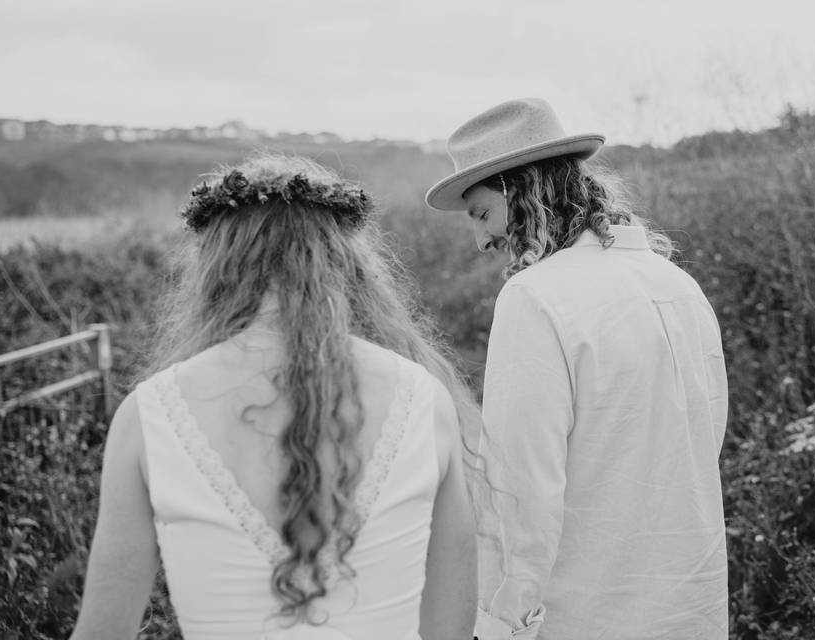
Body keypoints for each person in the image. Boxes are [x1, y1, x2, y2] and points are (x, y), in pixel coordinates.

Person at [70, 154, 478, 640]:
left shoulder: (147, 416)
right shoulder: (426, 400)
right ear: (347, 265)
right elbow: (451, 628)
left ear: (216, 268)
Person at [426, 98, 729, 639]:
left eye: (480, 213)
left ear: (519, 192)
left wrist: (498, 621)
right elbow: (706, 439)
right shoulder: (678, 285)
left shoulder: (534, 298)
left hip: (588, 613)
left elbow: (521, 490)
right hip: (693, 606)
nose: (481, 240)